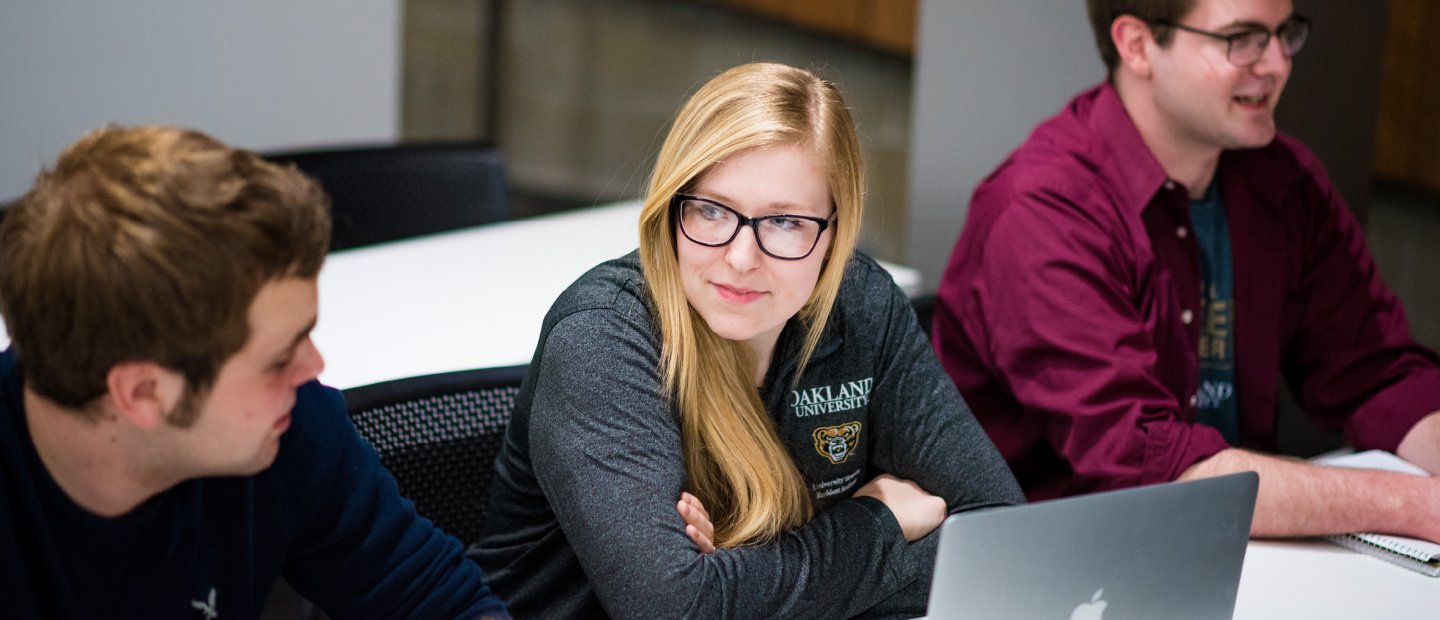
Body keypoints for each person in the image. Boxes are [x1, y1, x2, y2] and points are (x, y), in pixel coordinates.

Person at [470, 62, 1022, 618]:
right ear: (669, 209)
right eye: (711, 211)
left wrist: (736, 580)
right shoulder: (603, 340)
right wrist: (874, 523)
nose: (739, 258)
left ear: (835, 232)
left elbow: (999, 538)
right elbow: (676, 609)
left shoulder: (860, 306)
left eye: (784, 222)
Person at [933, 0, 1440, 543]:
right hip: (1063, 567)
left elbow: (1380, 374)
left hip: (1219, 543)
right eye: (1241, 38)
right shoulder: (1041, 212)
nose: (1276, 64)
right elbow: (1153, 468)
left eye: (1282, 33)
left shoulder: (1282, 182)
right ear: (1138, 45)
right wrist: (1412, 504)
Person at [0, 125, 509, 619]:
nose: (314, 368)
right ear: (143, 393)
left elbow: (438, 600)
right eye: (278, 359)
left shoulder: (291, 419)